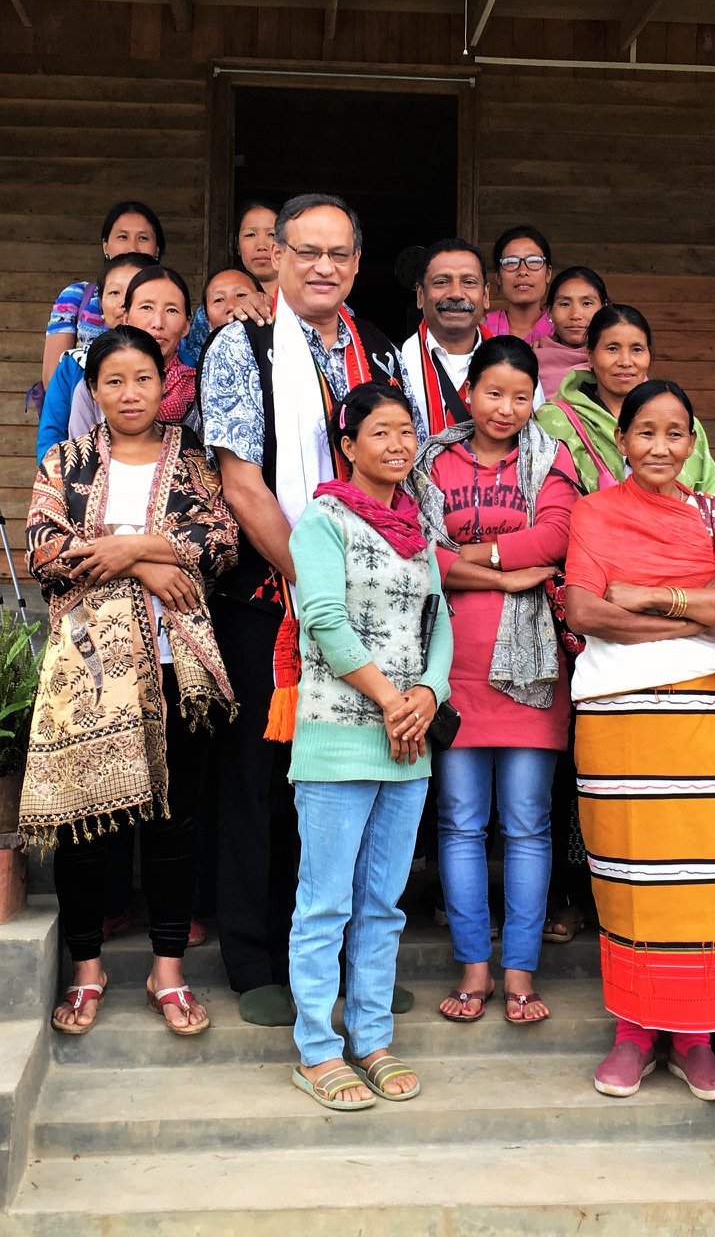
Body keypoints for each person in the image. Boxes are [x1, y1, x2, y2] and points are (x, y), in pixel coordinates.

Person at [562, 378, 715, 1100]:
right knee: (633, 876)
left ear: (693, 441)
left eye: (675, 433)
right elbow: (585, 611)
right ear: (622, 440)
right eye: (645, 432)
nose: (660, 447)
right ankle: (634, 1033)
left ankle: (696, 1037)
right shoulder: (592, 512)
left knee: (708, 876)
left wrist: (650, 595)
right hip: (618, 713)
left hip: (710, 709)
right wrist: (698, 613)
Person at [199, 192, 406, 1025]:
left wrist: (371, 587)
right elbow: (241, 481)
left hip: (371, 613)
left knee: (349, 780)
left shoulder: (378, 352)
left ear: (356, 263)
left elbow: (401, 468)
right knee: (260, 778)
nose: (323, 266)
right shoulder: (240, 345)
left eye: (339, 253)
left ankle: (353, 963)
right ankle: (256, 961)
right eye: (307, 250)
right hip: (273, 599)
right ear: (276, 257)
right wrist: (319, 584)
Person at [20, 325, 239, 1040]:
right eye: (113, 381)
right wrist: (145, 564)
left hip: (182, 666)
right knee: (89, 825)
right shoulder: (67, 461)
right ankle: (88, 969)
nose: (130, 393)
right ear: (94, 390)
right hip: (92, 670)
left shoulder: (195, 462)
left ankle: (167, 970)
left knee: (177, 822)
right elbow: (45, 549)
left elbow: (223, 542)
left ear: (164, 382)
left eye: (142, 378)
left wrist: (133, 543)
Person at [285, 383, 449, 1109]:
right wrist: (391, 700)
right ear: (348, 446)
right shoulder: (321, 522)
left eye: (406, 432)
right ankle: (318, 1048)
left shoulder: (419, 527)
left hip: (408, 743)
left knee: (383, 902)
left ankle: (373, 1038)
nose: (397, 445)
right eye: (379, 432)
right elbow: (320, 615)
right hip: (339, 738)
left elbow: (438, 621)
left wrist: (429, 695)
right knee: (325, 903)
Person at [411, 336, 579, 1027]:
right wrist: (505, 575)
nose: (505, 407)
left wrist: (473, 555)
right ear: (468, 392)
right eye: (492, 392)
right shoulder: (431, 460)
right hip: (453, 659)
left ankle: (519, 973)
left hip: (533, 666)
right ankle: (473, 964)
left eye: (520, 395)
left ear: (534, 397)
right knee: (458, 821)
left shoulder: (551, 458)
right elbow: (419, 551)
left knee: (529, 823)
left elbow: (557, 539)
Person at [537, 304, 715, 495]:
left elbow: (709, 505)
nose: (625, 361)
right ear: (590, 356)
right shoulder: (555, 421)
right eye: (612, 349)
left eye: (637, 349)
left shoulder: (683, 424)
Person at [37, 253, 159, 463]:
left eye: (133, 291)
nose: (123, 302)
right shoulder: (73, 365)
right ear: (101, 305)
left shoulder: (181, 365)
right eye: (113, 292)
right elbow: (51, 441)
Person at [40, 201, 165, 390]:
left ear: (156, 249)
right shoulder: (76, 296)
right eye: (122, 236)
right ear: (105, 246)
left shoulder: (170, 296)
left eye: (143, 238)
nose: (132, 246)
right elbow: (52, 379)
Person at [399, 238, 488, 447]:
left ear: (485, 295)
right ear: (420, 295)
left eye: (469, 282)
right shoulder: (394, 366)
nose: (456, 293)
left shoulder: (514, 364)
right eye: (441, 282)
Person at [185, 198, 281, 366]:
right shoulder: (211, 307)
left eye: (272, 234)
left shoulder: (301, 301)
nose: (261, 245)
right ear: (237, 245)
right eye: (250, 234)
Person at [539, 265, 608, 389]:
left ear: (604, 308)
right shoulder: (532, 360)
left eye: (587, 303)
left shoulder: (619, 360)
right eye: (565, 304)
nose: (575, 315)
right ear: (549, 311)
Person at [482, 226, 555, 343]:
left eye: (534, 261)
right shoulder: (481, 330)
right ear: (498, 277)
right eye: (511, 262)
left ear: (548, 273)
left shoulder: (560, 331)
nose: (522, 271)